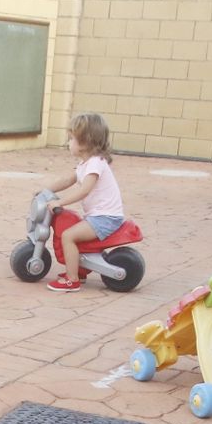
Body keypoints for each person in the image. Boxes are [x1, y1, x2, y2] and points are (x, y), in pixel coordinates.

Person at [44, 112, 126, 292]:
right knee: (71, 229)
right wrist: (46, 190)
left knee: (68, 235)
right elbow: (67, 180)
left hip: (105, 218)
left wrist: (60, 203)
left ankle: (72, 279)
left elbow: (85, 190)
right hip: (99, 216)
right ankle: (79, 270)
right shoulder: (85, 164)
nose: (69, 143)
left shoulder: (96, 163)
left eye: (72, 139)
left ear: (85, 142)